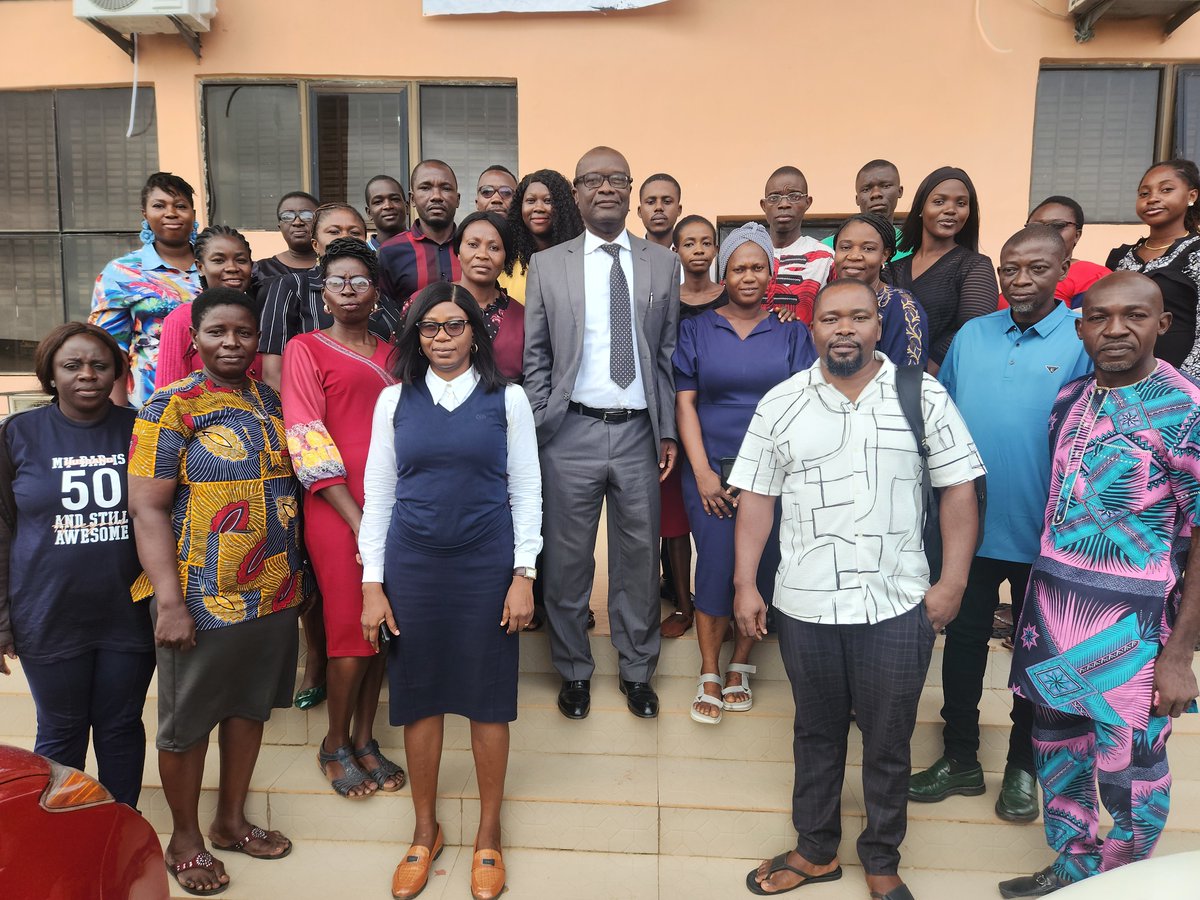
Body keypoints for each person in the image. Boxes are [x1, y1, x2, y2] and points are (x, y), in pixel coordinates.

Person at [732, 279, 984, 900]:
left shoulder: (922, 396)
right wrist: (745, 584)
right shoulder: (781, 402)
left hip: (897, 601)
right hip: (805, 601)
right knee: (815, 732)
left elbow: (958, 490)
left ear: (879, 326)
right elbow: (757, 501)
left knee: (888, 735)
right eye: (830, 319)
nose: (844, 328)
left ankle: (881, 856)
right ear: (810, 327)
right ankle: (815, 849)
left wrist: (952, 582)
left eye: (859, 317)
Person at [1000, 271, 1200, 898]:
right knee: (1059, 754)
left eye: (1134, 316)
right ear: (1080, 325)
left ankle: (1124, 885)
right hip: (1053, 620)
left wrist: (1179, 653)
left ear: (1161, 324)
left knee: (1132, 777)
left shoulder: (1187, 410)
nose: (1115, 329)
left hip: (1137, 638)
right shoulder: (1070, 399)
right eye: (1099, 316)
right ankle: (1073, 871)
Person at [358, 283, 541, 900]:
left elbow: (527, 491)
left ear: (475, 333)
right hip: (413, 567)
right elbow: (379, 495)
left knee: (488, 701)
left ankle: (488, 834)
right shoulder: (393, 402)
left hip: (487, 565)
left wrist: (524, 575)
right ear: (415, 335)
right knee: (418, 698)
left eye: (454, 326)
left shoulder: (507, 399)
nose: (442, 337)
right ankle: (424, 829)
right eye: (430, 327)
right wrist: (372, 584)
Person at [908, 225, 1093, 824]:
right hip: (973, 529)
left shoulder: (1081, 337)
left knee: (1035, 656)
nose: (1020, 280)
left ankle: (1022, 766)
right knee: (961, 646)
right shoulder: (972, 335)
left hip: (1051, 532)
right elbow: (947, 426)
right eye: (1010, 269)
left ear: (1062, 268)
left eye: (1036, 269)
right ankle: (960, 756)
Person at [128, 287, 303, 897]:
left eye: (244, 333)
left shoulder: (271, 401)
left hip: (274, 590)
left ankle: (230, 821)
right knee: (188, 723)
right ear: (195, 339)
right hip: (199, 595)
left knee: (249, 709)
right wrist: (169, 601)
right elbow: (148, 509)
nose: (232, 343)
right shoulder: (168, 407)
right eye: (218, 333)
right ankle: (184, 838)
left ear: (258, 340)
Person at [523, 146, 681, 721]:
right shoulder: (549, 265)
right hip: (571, 432)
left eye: (617, 179)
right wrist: (544, 416)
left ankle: (638, 670)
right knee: (567, 562)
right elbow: (537, 354)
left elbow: (664, 355)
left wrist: (665, 429)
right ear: (578, 191)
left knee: (639, 559)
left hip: (640, 432)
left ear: (631, 188)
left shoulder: (661, 263)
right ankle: (573, 671)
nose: (606, 188)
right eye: (594, 180)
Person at [0, 323, 152, 809]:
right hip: (47, 615)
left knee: (121, 725)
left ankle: (121, 831)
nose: (87, 375)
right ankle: (63, 840)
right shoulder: (17, 433)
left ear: (116, 372)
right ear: (50, 373)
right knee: (61, 732)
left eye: (99, 365)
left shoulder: (141, 430)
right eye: (72, 365)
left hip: (129, 612)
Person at [675, 223, 816, 724]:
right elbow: (685, 404)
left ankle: (740, 664)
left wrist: (774, 473)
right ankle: (709, 668)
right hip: (709, 469)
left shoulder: (793, 332)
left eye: (759, 267)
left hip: (773, 474)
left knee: (758, 563)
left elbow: (804, 405)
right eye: (739, 267)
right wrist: (702, 472)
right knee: (714, 559)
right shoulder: (695, 328)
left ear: (772, 273)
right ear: (724, 272)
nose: (749, 276)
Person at [281, 238, 404, 800]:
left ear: (376, 290)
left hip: (395, 505)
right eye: (338, 281)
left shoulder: (397, 352)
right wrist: (359, 523)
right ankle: (333, 743)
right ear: (323, 292)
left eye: (359, 280)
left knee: (382, 626)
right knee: (350, 624)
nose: (349, 289)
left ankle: (364, 737)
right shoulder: (305, 349)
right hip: (336, 507)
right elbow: (306, 437)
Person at [658, 214, 727, 639]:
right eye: (689, 243)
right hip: (670, 413)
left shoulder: (730, 294)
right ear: (676, 251)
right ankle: (684, 606)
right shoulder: (666, 298)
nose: (698, 250)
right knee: (674, 519)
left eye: (706, 242)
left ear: (717, 248)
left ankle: (719, 601)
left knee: (718, 515)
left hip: (716, 417)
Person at [259, 202, 399, 391]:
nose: (345, 238)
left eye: (354, 232)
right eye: (334, 232)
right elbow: (273, 373)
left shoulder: (378, 293)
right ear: (315, 244)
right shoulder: (293, 286)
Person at [90, 171, 201, 408]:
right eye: (159, 205)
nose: (171, 213)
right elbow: (109, 350)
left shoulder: (217, 266)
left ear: (193, 214)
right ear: (145, 214)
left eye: (180, 206)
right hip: (148, 401)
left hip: (215, 399)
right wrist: (117, 413)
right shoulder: (122, 273)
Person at [892, 166, 998, 370]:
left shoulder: (974, 266)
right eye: (939, 201)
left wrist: (921, 379)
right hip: (884, 384)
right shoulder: (892, 269)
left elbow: (971, 331)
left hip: (939, 386)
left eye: (961, 203)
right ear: (921, 208)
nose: (951, 209)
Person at [1106, 159, 1200, 371]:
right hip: (1121, 377)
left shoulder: (1196, 252)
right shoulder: (1119, 257)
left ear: (1191, 196)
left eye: (1166, 190)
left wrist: (1183, 385)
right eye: (1144, 194)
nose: (1152, 199)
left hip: (1180, 383)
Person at [156, 225, 263, 387]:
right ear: (200, 268)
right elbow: (169, 395)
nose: (232, 268)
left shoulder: (265, 312)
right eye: (218, 260)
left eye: (241, 260)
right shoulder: (182, 318)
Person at [832, 213, 929, 368]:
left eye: (868, 249)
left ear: (884, 255)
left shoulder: (901, 306)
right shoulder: (826, 302)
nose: (854, 255)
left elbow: (908, 375)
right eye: (845, 247)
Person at [379, 159, 462, 309]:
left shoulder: (472, 247)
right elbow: (384, 314)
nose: (436, 196)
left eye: (446, 188)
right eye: (425, 188)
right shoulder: (389, 252)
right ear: (412, 199)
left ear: (458, 199)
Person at [453, 211, 525, 381]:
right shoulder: (426, 304)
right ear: (458, 252)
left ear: (506, 258)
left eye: (494, 248)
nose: (482, 255)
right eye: (472, 244)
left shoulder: (522, 318)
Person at [759, 165, 834, 325]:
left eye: (794, 196)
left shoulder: (825, 258)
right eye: (774, 197)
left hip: (805, 348)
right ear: (764, 205)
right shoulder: (747, 255)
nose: (784, 204)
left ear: (808, 202)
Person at [502, 169, 585, 304]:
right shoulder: (507, 262)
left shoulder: (580, 258)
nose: (538, 208)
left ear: (563, 207)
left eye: (548, 201)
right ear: (519, 207)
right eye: (531, 201)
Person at [821, 159, 912, 265]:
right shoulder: (827, 248)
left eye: (885, 186)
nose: (876, 194)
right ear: (857, 199)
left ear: (899, 191)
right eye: (866, 189)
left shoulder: (914, 247)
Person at [1024, 195, 1109, 308]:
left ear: (1077, 235)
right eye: (1035, 227)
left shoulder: (1095, 277)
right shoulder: (1012, 274)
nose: (1045, 233)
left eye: (1057, 226)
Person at [254, 191, 319, 282]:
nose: (297, 222)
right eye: (287, 216)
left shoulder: (336, 267)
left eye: (307, 215)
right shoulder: (261, 270)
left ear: (320, 223)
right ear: (280, 226)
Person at [638, 173, 683, 248]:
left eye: (667, 201)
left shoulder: (690, 256)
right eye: (650, 202)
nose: (659, 207)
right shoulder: (629, 256)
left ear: (679, 210)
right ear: (640, 211)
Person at [365, 175, 409, 250]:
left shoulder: (426, 247)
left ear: (407, 207)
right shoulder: (362, 256)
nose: (388, 206)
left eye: (395, 199)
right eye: (378, 202)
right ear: (369, 213)